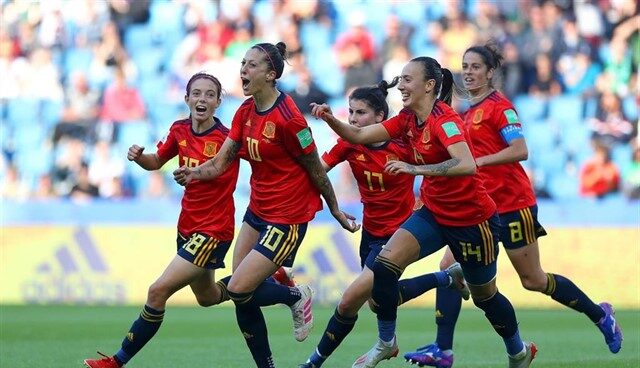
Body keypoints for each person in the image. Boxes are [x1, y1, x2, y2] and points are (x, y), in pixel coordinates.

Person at [404, 44, 623, 368]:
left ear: (491, 72)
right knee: (449, 269)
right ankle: (443, 348)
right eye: (465, 66)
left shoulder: (500, 107)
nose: (468, 71)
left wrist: (477, 161)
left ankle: (599, 314)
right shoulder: (460, 113)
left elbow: (520, 150)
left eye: (476, 66)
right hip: (478, 212)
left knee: (533, 280)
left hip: (512, 204)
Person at [311, 56, 536, 368]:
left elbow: (467, 164)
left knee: (486, 297)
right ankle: (386, 341)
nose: (400, 85)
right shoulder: (405, 119)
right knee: (386, 265)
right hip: (433, 213)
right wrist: (329, 119)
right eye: (400, 79)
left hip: (472, 220)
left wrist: (414, 167)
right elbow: (361, 135)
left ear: (429, 85)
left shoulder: (445, 121)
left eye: (407, 79)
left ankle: (518, 351)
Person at [173, 42, 359, 368]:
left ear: (271, 75)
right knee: (241, 297)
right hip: (257, 210)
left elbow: (316, 167)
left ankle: (295, 295)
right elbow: (220, 162)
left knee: (241, 287)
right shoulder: (245, 111)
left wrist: (334, 209)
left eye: (252, 65)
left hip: (288, 216)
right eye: (243, 63)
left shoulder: (290, 120)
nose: (243, 70)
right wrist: (195, 173)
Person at [299, 82, 470, 368]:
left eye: (360, 113)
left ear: (380, 117)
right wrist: (333, 206)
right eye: (351, 112)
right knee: (377, 303)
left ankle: (313, 362)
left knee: (348, 300)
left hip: (399, 234)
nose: (353, 119)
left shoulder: (403, 144)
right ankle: (447, 278)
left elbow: (439, 163)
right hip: (371, 233)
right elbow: (317, 171)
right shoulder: (348, 145)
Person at [83, 72, 240, 368]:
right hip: (188, 227)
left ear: (219, 101)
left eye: (209, 94)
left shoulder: (226, 139)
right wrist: (139, 157)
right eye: (196, 93)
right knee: (207, 297)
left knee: (157, 291)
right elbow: (157, 161)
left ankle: (117, 361)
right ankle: (271, 282)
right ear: (186, 99)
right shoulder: (179, 129)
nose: (202, 99)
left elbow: (219, 170)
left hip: (214, 229)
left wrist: (195, 173)